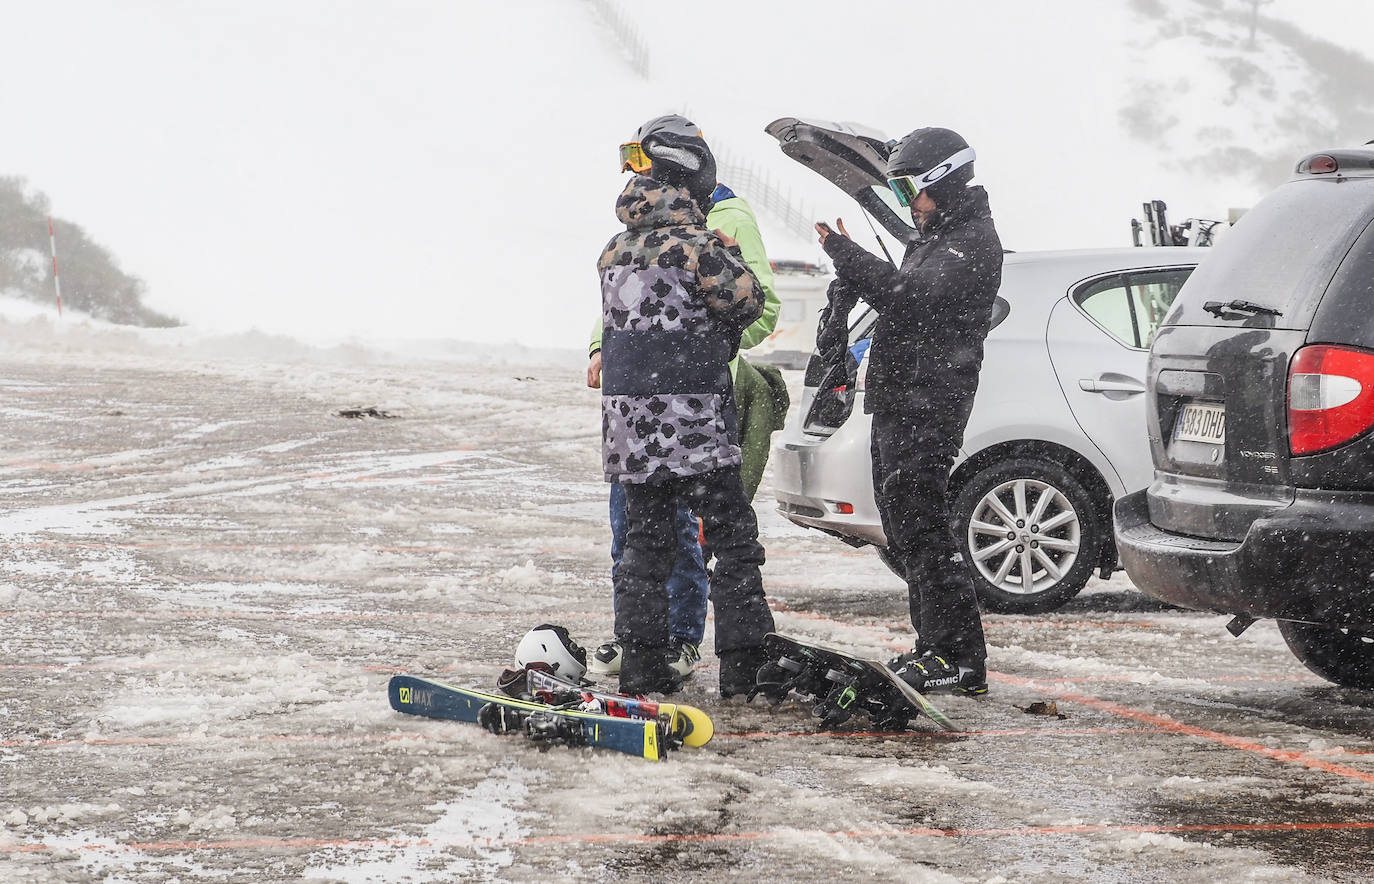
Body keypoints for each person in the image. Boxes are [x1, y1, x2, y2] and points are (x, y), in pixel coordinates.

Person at [585, 114, 784, 682]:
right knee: (732, 544)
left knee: (644, 550)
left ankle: (642, 668)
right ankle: (746, 668)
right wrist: (728, 254)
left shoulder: (613, 250)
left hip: (630, 430)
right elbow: (746, 306)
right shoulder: (698, 247)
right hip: (693, 423)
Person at [814, 127, 1003, 696]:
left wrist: (845, 254)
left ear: (940, 181)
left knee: (923, 529)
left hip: (932, 404)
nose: (905, 203)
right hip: (901, 400)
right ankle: (933, 645)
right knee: (903, 528)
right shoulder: (934, 233)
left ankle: (959, 656)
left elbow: (906, 298)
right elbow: (899, 292)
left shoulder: (972, 240)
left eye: (907, 190)